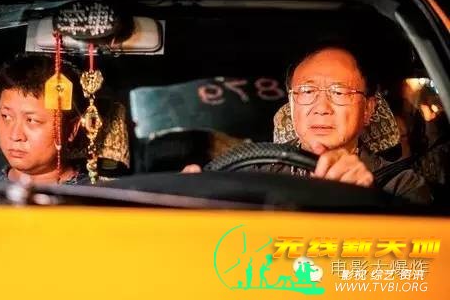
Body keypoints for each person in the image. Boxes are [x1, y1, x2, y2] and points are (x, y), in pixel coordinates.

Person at [184, 44, 432, 204]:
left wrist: (364, 200)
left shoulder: (401, 185)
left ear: (368, 109)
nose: (321, 108)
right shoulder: (253, 170)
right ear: (291, 104)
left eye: (339, 92)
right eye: (306, 91)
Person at [0, 53, 89, 185]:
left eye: (31, 120)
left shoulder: (97, 195)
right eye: (6, 116)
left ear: (71, 129)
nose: (15, 136)